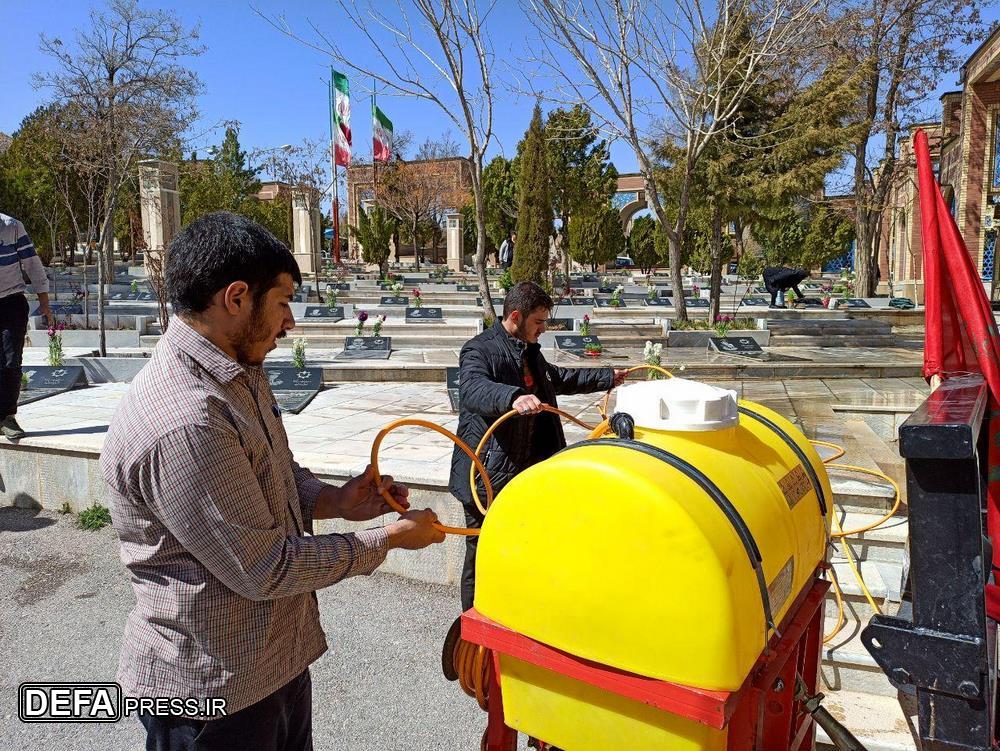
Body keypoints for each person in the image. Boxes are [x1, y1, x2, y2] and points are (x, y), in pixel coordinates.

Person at [101, 212, 445, 751]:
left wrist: (334, 500)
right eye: (283, 302)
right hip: (211, 693)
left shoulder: (237, 370)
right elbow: (263, 567)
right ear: (236, 298)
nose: (290, 323)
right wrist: (388, 540)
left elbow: (271, 473)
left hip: (270, 665)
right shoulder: (185, 420)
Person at [449, 281, 628, 610]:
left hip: (524, 473)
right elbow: (473, 389)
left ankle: (514, 612)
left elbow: (556, 378)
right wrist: (513, 397)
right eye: (539, 322)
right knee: (482, 551)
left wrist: (607, 377)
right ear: (516, 317)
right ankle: (471, 624)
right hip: (486, 476)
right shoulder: (479, 349)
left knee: (522, 546)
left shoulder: (529, 350)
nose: (543, 329)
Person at [1, 212, 51, 440]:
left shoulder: (11, 226)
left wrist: (44, 301)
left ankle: (7, 417)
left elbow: (32, 263)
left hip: (11, 302)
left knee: (11, 361)